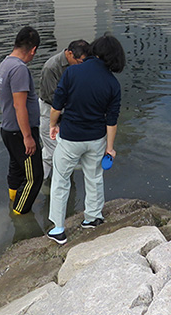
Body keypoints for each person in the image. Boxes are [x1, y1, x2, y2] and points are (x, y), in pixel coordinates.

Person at [46, 34, 126, 245]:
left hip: (71, 137)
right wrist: (110, 147)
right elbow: (112, 120)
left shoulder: (73, 72)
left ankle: (58, 229)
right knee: (94, 177)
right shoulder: (112, 83)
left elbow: (57, 105)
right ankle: (92, 218)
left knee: (61, 180)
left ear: (96, 50)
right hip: (96, 138)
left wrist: (53, 125)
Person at [0, 26, 43, 215]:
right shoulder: (19, 69)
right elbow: (19, 105)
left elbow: (0, 95)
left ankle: (13, 200)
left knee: (16, 169)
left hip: (7, 129)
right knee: (35, 177)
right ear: (33, 50)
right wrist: (28, 137)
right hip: (20, 132)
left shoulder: (5, 64)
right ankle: (20, 214)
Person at [38, 40, 89, 180]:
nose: (82, 66)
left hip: (67, 110)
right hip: (50, 110)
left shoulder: (77, 66)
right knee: (52, 151)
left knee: (60, 150)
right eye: (80, 62)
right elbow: (53, 98)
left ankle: (51, 180)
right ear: (70, 54)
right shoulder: (51, 67)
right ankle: (45, 184)